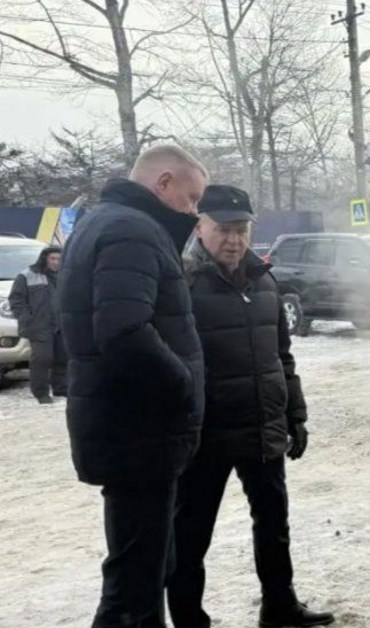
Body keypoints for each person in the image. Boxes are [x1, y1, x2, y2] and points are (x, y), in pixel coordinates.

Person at [168, 185, 332, 628]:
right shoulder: (182, 284)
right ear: (201, 227)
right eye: (223, 229)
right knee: (189, 535)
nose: (233, 240)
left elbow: (283, 356)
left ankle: (279, 607)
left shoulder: (265, 281)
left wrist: (295, 416)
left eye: (241, 230)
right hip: (207, 437)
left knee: (274, 525)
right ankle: (187, 619)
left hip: (263, 428)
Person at [59, 144, 209, 628]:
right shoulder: (132, 229)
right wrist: (183, 383)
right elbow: (124, 331)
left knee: (144, 570)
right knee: (133, 587)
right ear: (163, 183)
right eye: (190, 199)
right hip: (139, 429)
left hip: (126, 426)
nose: (192, 212)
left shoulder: (103, 222)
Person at [10, 245, 66, 403]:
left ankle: (60, 389)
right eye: (53, 259)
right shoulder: (27, 276)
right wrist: (27, 318)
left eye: (59, 259)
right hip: (39, 326)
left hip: (61, 325)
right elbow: (16, 300)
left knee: (62, 358)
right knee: (42, 359)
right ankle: (41, 393)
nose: (56, 262)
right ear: (45, 259)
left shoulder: (66, 275)